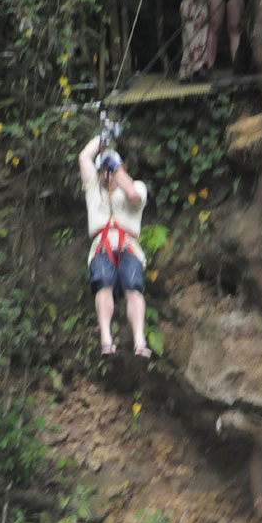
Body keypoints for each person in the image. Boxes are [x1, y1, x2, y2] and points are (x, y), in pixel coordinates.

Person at [79, 135, 151, 358]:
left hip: (128, 245)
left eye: (109, 172)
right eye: (103, 172)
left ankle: (139, 340)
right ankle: (106, 339)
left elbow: (133, 196)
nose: (106, 176)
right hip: (102, 245)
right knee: (103, 284)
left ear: (123, 169)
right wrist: (103, 136)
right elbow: (84, 157)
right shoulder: (94, 189)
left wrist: (117, 170)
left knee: (133, 288)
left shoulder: (136, 186)